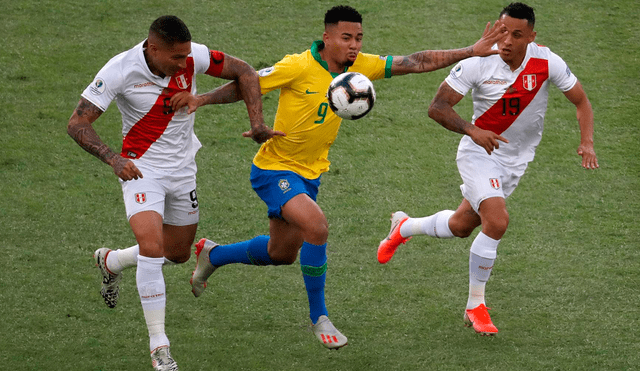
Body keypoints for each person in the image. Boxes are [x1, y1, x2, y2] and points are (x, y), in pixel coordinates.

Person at [180, 5, 507, 349]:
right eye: (346, 38)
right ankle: (319, 318)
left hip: (310, 174)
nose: (354, 45)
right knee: (317, 227)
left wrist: (471, 50)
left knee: (281, 253)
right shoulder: (298, 65)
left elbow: (415, 61)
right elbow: (247, 85)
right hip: (273, 169)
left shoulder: (360, 67)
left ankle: (213, 255)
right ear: (327, 38)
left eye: (359, 38)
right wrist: (202, 100)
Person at [67, 15, 281, 371]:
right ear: (152, 48)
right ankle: (159, 347)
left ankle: (111, 261)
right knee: (152, 249)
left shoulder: (193, 55)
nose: (186, 64)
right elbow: (77, 123)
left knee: (177, 254)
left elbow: (246, 73)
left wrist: (256, 122)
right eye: (176, 58)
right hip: (140, 171)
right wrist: (112, 158)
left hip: (183, 171)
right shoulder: (120, 70)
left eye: (187, 57)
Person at [377, 2, 599, 336]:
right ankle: (475, 305)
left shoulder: (547, 61)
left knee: (462, 225)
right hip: (478, 152)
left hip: (515, 161)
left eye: (516, 35)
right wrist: (472, 130)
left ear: (531, 37)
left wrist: (587, 142)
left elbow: (581, 100)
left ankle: (404, 227)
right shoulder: (478, 62)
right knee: (497, 221)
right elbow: (437, 107)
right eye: (502, 31)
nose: (506, 40)